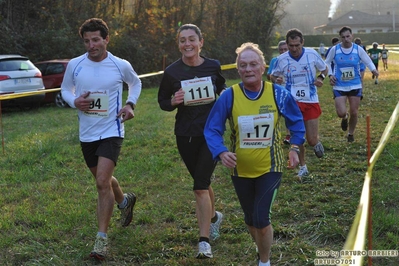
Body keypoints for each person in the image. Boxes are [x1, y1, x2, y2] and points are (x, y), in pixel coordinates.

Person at [204, 42, 305, 266]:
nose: (248, 69)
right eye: (243, 65)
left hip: (271, 166)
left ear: (263, 68)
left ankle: (265, 261)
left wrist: (295, 148)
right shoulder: (229, 96)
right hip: (240, 170)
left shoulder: (278, 95)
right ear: (238, 70)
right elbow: (212, 128)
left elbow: (296, 122)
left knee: (261, 217)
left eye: (253, 64)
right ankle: (262, 249)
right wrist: (221, 152)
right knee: (250, 219)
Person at [61, 18, 142, 260]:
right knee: (103, 180)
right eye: (87, 41)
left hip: (112, 129)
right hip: (87, 133)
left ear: (106, 39)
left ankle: (101, 240)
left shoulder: (119, 64)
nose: (91, 45)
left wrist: (130, 104)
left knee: (101, 182)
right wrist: (74, 101)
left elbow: (135, 83)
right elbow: (65, 89)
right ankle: (124, 200)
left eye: (96, 39)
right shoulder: (75, 65)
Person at [157, 23, 225, 259]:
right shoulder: (172, 72)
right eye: (182, 40)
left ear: (201, 42)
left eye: (191, 39)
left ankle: (204, 241)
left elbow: (223, 90)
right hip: (185, 134)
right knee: (202, 182)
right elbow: (163, 102)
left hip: (211, 134)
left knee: (198, 187)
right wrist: (173, 101)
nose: (187, 44)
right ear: (178, 44)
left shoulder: (213, 66)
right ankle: (215, 216)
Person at [271, 28, 328, 179]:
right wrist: (276, 80)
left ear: (302, 43)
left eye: (297, 45)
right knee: (298, 136)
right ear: (287, 45)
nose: (294, 49)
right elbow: (273, 75)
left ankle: (316, 143)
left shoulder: (312, 54)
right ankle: (303, 167)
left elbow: (324, 69)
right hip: (292, 102)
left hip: (310, 99)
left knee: (311, 139)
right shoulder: (281, 59)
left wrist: (321, 78)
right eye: (291, 46)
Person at [324, 26, 378, 142]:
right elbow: (327, 62)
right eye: (343, 37)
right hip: (339, 85)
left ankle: (350, 133)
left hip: (355, 84)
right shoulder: (335, 49)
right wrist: (330, 75)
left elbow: (367, 60)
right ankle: (344, 117)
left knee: (354, 111)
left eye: (348, 36)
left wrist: (373, 69)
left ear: (351, 36)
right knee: (341, 112)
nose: (346, 39)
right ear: (340, 38)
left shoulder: (358, 49)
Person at [266, 40, 290, 145]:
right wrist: (275, 79)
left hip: (292, 90)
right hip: (279, 91)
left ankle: (290, 135)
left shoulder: (293, 60)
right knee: (278, 113)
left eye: (285, 49)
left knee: (289, 113)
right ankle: (274, 135)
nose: (283, 51)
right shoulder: (275, 60)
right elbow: (269, 75)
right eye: (281, 50)